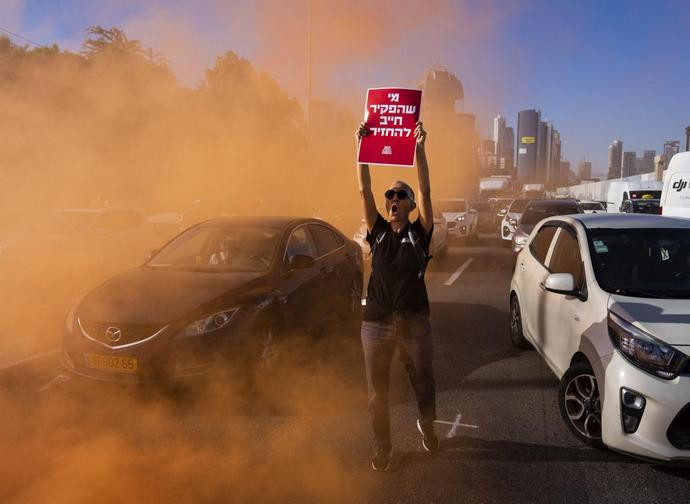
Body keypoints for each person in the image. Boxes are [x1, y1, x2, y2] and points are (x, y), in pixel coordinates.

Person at [356, 121, 438, 472]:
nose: (392, 199)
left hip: (414, 322)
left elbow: (426, 190)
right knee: (377, 392)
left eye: (399, 195)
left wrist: (419, 148)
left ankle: (428, 424)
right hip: (375, 323)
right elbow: (365, 190)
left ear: (410, 205)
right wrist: (361, 150)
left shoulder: (420, 233)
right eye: (390, 195)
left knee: (423, 381)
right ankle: (383, 446)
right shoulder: (376, 231)